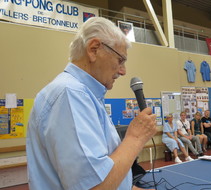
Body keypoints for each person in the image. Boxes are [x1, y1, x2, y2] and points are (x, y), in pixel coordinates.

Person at [26, 17, 157, 190]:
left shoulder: (85, 96)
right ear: (94, 49)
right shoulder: (71, 95)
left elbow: (104, 172)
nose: (123, 71)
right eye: (120, 60)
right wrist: (136, 137)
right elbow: (94, 186)